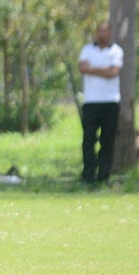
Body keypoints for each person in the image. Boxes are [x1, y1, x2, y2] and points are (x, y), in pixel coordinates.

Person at [78, 21, 123, 185]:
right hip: (91, 102)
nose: (102, 34)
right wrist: (104, 69)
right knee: (88, 140)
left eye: (105, 31)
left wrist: (93, 69)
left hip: (110, 102)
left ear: (110, 33)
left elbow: (113, 73)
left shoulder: (117, 51)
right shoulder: (87, 50)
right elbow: (83, 68)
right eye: (100, 31)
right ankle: (88, 175)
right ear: (96, 33)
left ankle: (103, 176)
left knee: (107, 140)